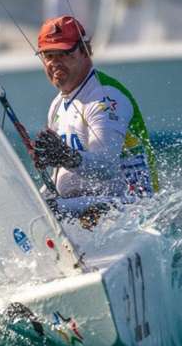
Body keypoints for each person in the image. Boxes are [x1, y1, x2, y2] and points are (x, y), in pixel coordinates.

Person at [32, 15, 158, 222]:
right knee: (34, 210)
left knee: (49, 211)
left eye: (63, 54)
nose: (54, 63)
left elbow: (106, 167)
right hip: (86, 208)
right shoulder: (57, 105)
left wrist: (66, 157)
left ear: (84, 50)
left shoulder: (105, 98)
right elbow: (62, 177)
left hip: (132, 212)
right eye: (48, 55)